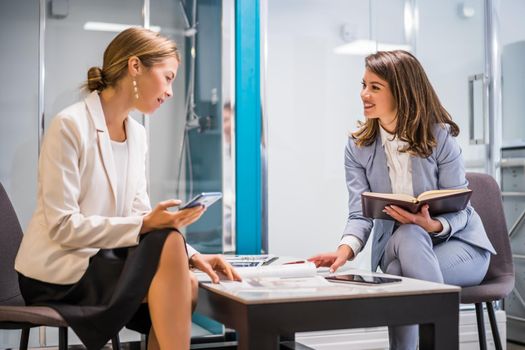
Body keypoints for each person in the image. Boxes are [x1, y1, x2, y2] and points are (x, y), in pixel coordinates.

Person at [14, 27, 240, 350]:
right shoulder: (70, 126)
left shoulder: (137, 135)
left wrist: (193, 256)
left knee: (184, 274)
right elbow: (63, 227)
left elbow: (138, 212)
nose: (171, 91)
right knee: (173, 263)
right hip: (57, 273)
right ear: (135, 67)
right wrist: (149, 224)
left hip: (100, 262)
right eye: (168, 77)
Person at [308, 50, 496, 350]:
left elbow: (462, 210)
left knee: (397, 276)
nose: (363, 94)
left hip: (461, 247)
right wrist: (345, 250)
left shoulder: (440, 136)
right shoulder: (358, 147)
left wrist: (432, 225)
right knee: (408, 233)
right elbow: (360, 214)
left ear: (401, 92)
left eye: (374, 87)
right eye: (363, 85)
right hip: (399, 244)